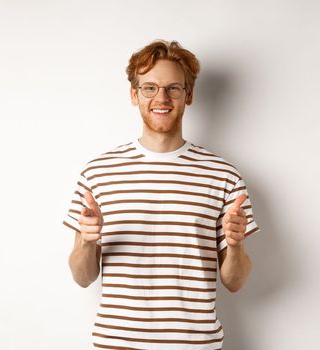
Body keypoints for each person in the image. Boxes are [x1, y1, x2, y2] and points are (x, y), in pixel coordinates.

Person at [61, 39, 261, 349]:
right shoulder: (98, 173)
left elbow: (235, 282)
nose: (161, 97)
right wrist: (88, 242)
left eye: (173, 88)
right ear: (134, 95)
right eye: (150, 88)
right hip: (119, 343)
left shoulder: (224, 176)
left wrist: (234, 247)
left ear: (188, 95)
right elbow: (82, 276)